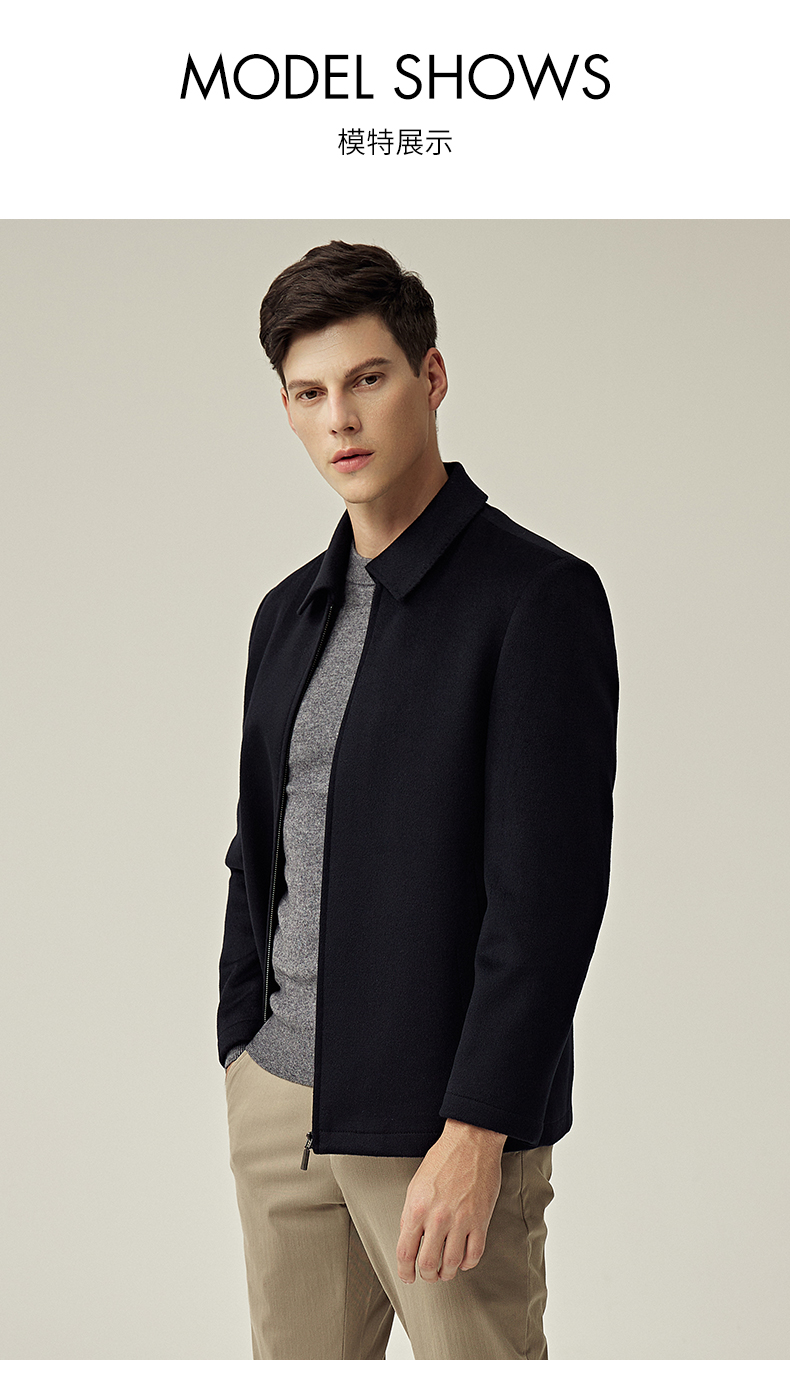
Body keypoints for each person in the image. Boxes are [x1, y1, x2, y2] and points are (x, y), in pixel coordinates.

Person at [218, 240, 618, 1360]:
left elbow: (545, 901)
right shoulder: (287, 612)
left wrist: (479, 1128)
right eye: (309, 393)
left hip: (438, 1124)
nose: (340, 419)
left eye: (368, 378)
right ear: (288, 410)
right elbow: (261, 843)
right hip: (279, 1102)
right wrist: (243, 1041)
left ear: (430, 378)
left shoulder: (536, 598)